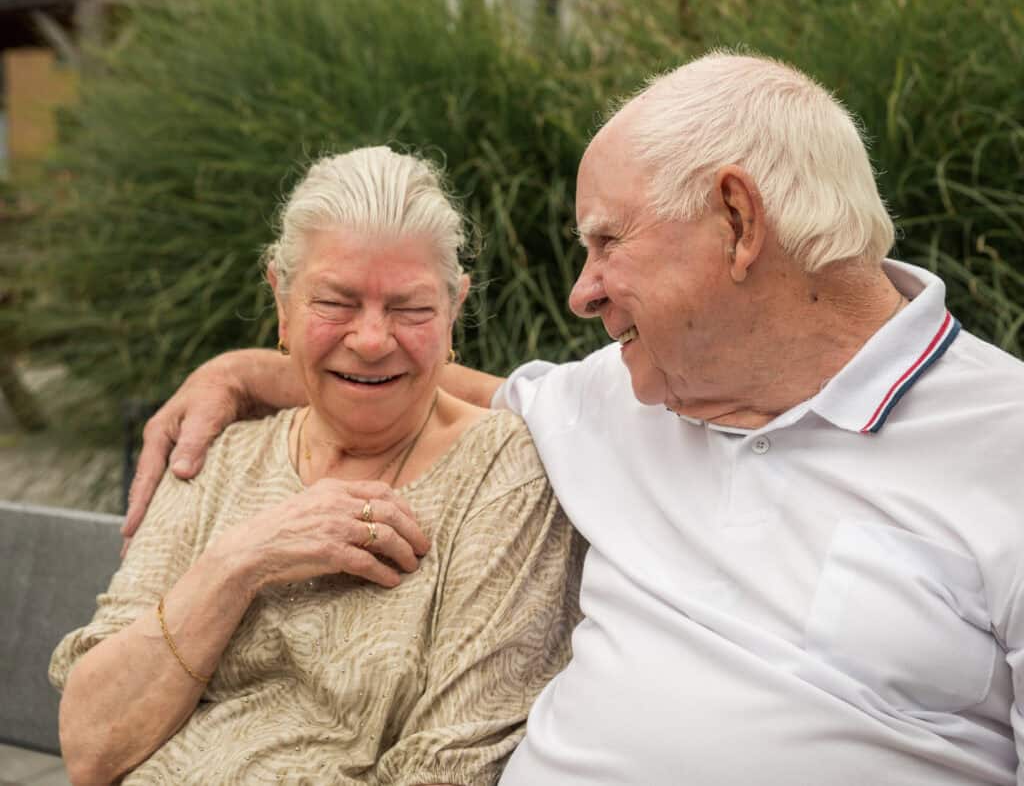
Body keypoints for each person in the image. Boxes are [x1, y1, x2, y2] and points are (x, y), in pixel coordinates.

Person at [125, 51, 1024, 785]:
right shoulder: (623, 393)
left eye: (607, 241)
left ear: (738, 220)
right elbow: (410, 376)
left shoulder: (1002, 440)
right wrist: (248, 371)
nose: (582, 292)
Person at [50, 147, 583, 786]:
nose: (372, 340)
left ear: (454, 312)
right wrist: (240, 563)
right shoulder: (220, 453)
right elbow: (91, 747)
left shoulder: (502, 474)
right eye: (335, 302)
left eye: (411, 308)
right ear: (282, 303)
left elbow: (451, 766)